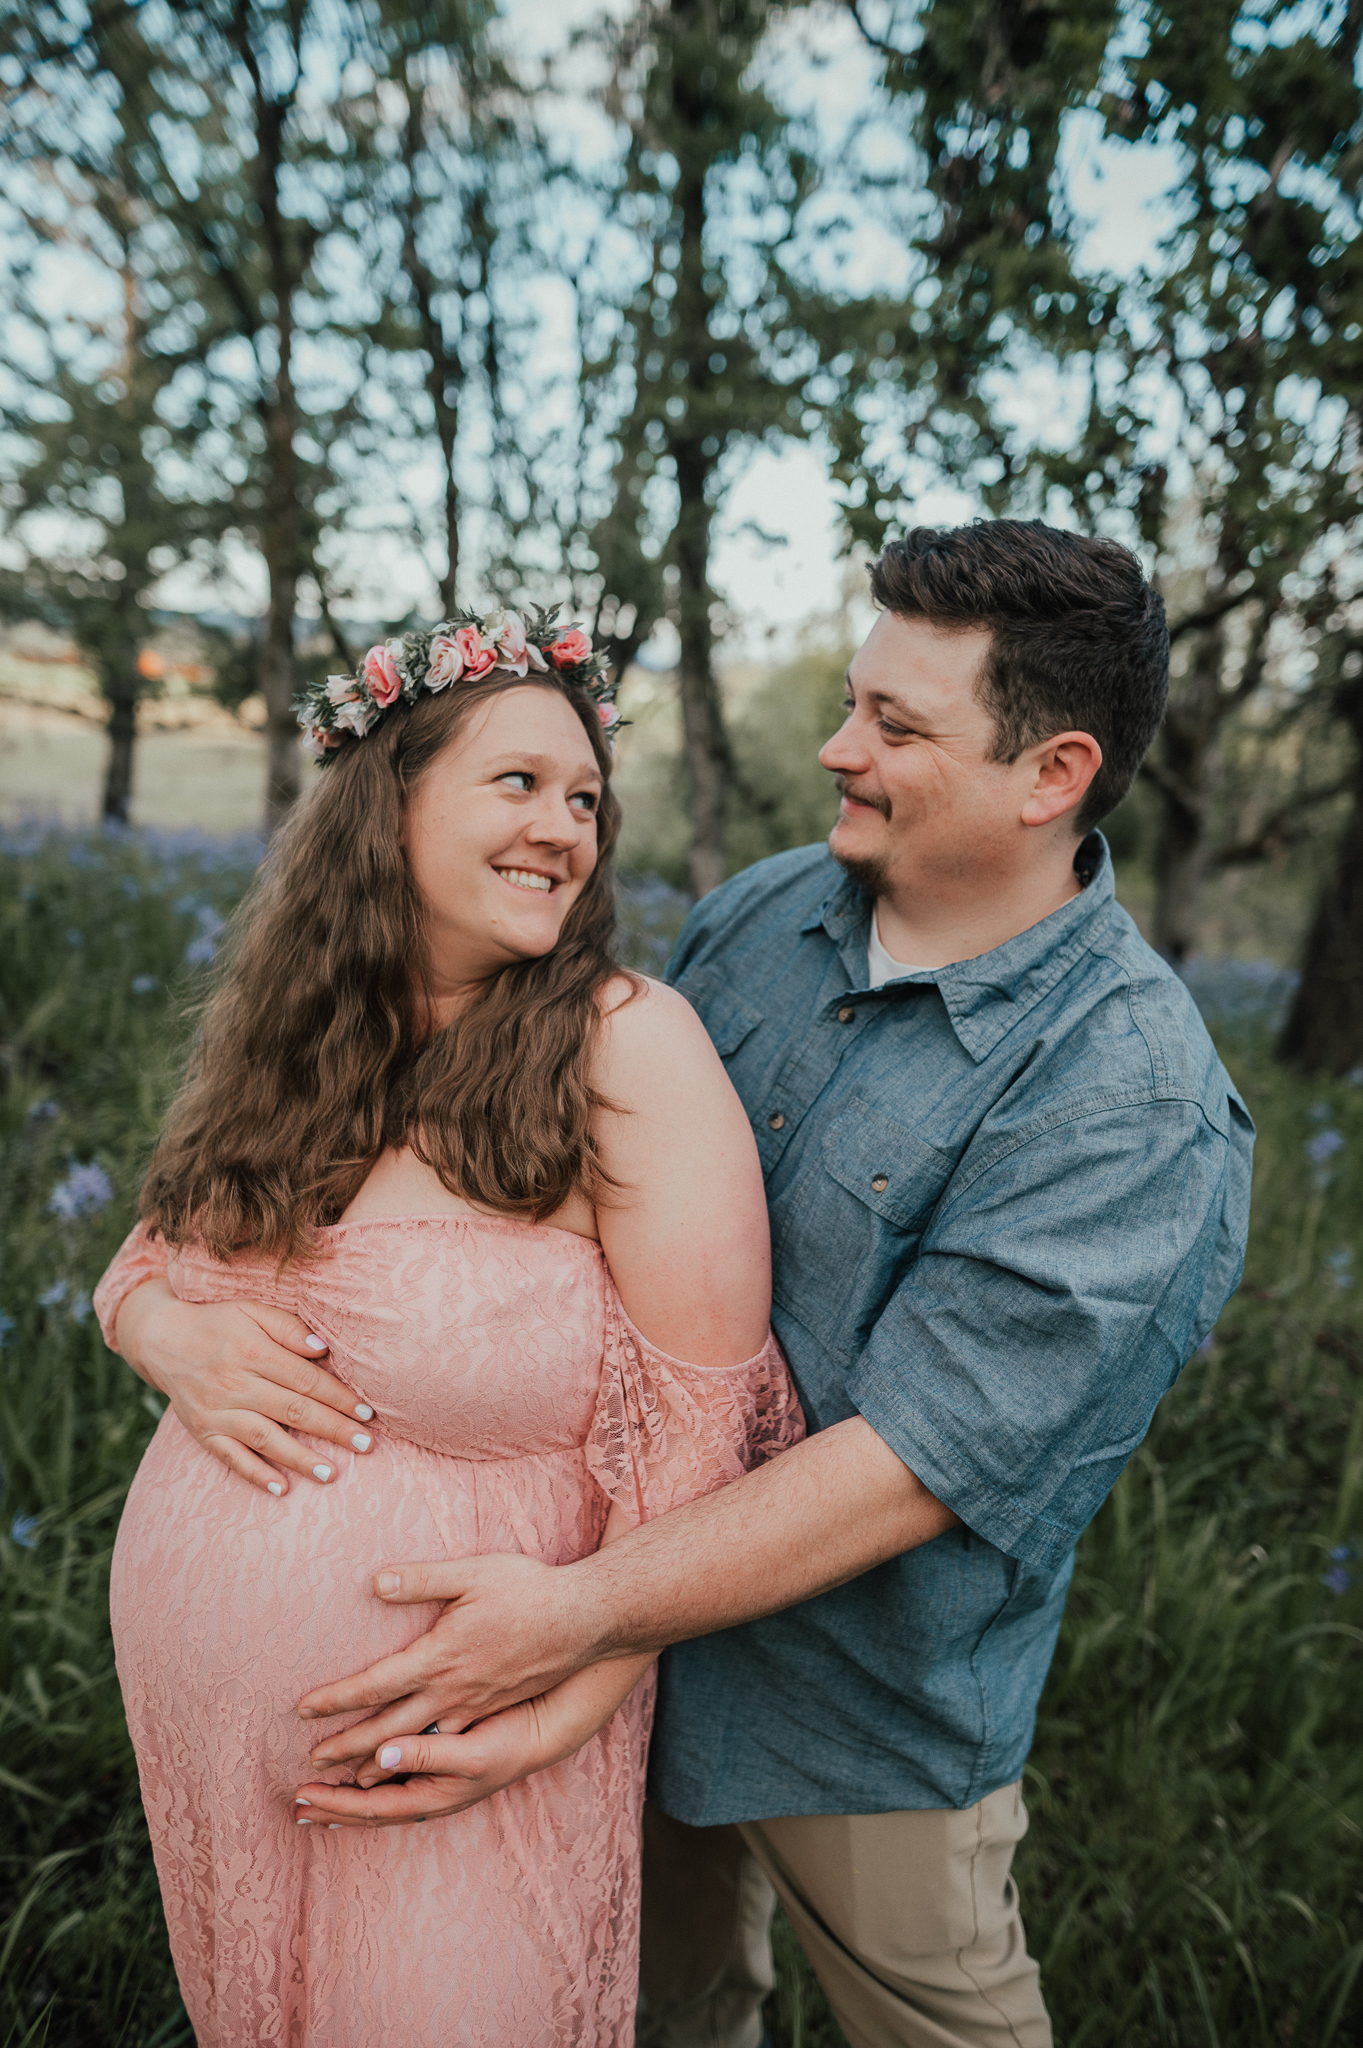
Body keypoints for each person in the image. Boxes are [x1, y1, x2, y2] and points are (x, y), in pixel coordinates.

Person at [245, 522, 1254, 2048]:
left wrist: (583, 1620)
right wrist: (168, 1298)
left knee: (943, 2022)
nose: (841, 749)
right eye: (854, 702)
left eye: (896, 726)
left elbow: (912, 1468)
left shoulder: (1129, 1100)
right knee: (656, 2001)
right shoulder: (772, 910)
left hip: (848, 1706)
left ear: (1052, 774)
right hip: (590, 1633)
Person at [92, 608, 804, 2048]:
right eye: (519, 783)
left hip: (471, 1741)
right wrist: (158, 1330)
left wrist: (571, 1702)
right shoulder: (296, 1041)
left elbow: (704, 1438)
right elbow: (146, 1257)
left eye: (586, 799)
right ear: (390, 805)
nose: (563, 828)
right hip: (220, 1767)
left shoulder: (623, 1042)